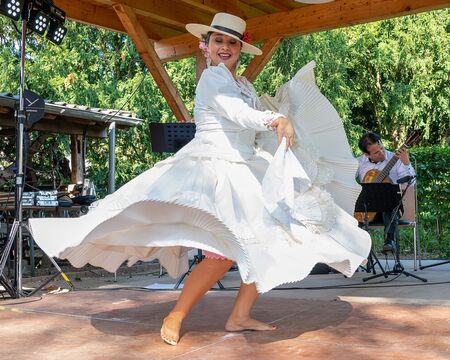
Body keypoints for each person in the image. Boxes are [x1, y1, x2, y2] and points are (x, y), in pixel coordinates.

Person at [29, 13, 371, 346]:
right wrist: (274, 119)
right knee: (220, 257)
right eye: (218, 40)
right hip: (215, 169)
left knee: (272, 241)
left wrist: (283, 126)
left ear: (240, 48)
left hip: (247, 167)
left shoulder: (243, 83)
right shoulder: (213, 79)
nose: (225, 47)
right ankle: (176, 315)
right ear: (205, 45)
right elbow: (237, 114)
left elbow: (248, 117)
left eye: (232, 43)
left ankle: (239, 315)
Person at [357, 132, 416, 253]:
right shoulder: (358, 162)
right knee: (348, 215)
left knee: (389, 202)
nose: (382, 153)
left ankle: (389, 241)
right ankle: (356, 253)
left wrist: (406, 163)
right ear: (366, 154)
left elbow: (412, 182)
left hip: (390, 210)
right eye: (376, 152)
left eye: (382, 148)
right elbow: (346, 180)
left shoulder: (396, 158)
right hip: (366, 209)